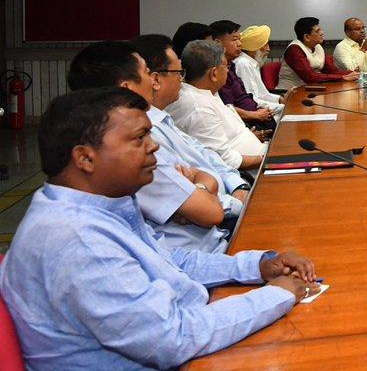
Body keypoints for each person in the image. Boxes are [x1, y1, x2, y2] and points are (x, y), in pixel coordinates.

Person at [0, 87, 317, 371]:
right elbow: (175, 337)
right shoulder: (76, 239)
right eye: (139, 138)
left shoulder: (97, 206)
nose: (154, 147)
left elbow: (167, 261)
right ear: (85, 158)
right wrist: (278, 294)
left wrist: (255, 266)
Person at [69, 39, 243, 253]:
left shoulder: (153, 124)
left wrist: (201, 186)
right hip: (209, 245)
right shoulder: (130, 149)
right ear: (126, 90)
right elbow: (210, 212)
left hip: (211, 241)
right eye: (147, 73)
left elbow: (206, 162)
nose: (153, 82)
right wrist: (206, 191)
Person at [168, 40, 268, 171]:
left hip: (261, 155)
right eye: (226, 67)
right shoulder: (198, 107)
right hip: (256, 173)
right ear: (214, 73)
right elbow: (226, 161)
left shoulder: (207, 91)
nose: (228, 71)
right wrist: (268, 158)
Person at [210, 20, 276, 128]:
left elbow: (248, 96)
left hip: (258, 116)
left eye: (239, 39)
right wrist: (254, 115)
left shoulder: (232, 66)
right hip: (247, 123)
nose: (240, 44)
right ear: (218, 43)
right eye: (234, 40)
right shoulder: (221, 71)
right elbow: (226, 108)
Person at [277, 17, 357, 90]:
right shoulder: (294, 50)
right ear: (307, 37)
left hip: (311, 89)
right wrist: (342, 77)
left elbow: (329, 70)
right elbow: (310, 76)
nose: (322, 33)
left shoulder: (317, 47)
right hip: (291, 92)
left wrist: (351, 74)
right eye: (317, 31)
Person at [233, 24, 284, 114]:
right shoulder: (243, 64)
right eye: (265, 45)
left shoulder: (252, 63)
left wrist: (279, 99)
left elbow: (262, 94)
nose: (268, 49)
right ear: (253, 48)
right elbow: (253, 100)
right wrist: (282, 107)